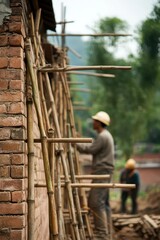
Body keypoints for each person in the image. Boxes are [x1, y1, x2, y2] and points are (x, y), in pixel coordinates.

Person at [76, 111, 115, 240]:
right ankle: (108, 233)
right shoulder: (105, 135)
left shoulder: (103, 136)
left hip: (102, 172)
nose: (93, 122)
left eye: (95, 120)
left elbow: (90, 149)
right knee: (104, 203)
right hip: (105, 171)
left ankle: (102, 234)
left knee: (96, 202)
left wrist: (75, 142)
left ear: (99, 123)